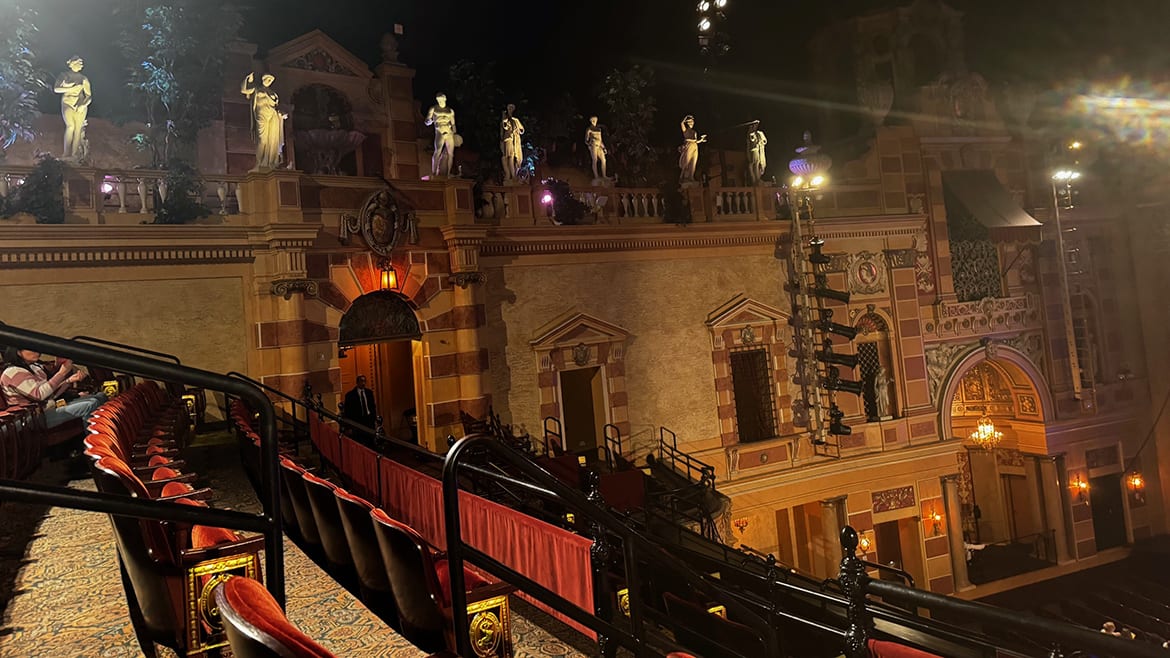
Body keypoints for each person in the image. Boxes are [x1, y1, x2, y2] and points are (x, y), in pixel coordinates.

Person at [1, 346, 106, 428]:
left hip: (48, 407)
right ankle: (94, 449)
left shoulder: (35, 367)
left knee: (100, 396)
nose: (37, 351)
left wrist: (69, 380)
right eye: (31, 348)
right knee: (91, 404)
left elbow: (50, 393)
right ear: (18, 352)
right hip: (33, 418)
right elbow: (39, 395)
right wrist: (61, 373)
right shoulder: (13, 372)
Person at [240, 72, 288, 170]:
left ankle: (271, 163)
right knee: (262, 140)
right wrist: (247, 79)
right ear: (263, 79)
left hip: (273, 115)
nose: (269, 82)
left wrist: (281, 113)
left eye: (271, 81)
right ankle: (260, 163)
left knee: (272, 140)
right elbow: (244, 90)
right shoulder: (257, 89)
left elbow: (276, 107)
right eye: (268, 79)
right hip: (261, 115)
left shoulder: (273, 93)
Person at [54, 56, 92, 161]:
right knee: (70, 126)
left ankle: (75, 154)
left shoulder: (84, 79)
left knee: (78, 129)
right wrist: (71, 88)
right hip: (67, 103)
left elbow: (89, 96)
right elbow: (56, 89)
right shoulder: (64, 75)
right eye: (78, 63)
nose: (80, 65)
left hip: (80, 105)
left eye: (81, 64)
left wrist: (83, 105)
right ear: (72, 64)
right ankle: (66, 153)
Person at [425, 93, 457, 177]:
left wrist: (455, 133)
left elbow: (453, 124)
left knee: (451, 154)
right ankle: (434, 172)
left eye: (441, 99)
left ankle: (448, 173)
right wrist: (429, 121)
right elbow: (427, 120)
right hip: (440, 131)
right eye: (438, 100)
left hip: (449, 131)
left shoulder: (450, 110)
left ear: (445, 99)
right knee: (437, 151)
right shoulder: (433, 108)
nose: (440, 101)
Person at [678, 115, 707, 183]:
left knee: (693, 163)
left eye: (692, 122)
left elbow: (696, 141)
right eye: (690, 122)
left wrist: (701, 140)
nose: (691, 124)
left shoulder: (694, 132)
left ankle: (691, 177)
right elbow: (681, 123)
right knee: (686, 161)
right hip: (688, 145)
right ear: (687, 123)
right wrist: (686, 117)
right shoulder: (685, 130)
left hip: (695, 146)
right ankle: (681, 177)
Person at [500, 104, 525, 182]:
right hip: (508, 139)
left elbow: (522, 129)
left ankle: (513, 175)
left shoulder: (515, 120)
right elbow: (504, 126)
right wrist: (504, 116)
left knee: (513, 157)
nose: (510, 110)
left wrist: (517, 131)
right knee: (509, 157)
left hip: (515, 140)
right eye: (509, 108)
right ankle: (510, 175)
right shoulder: (506, 119)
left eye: (512, 108)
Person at [585, 116, 607, 180]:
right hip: (593, 145)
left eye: (595, 120)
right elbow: (586, 140)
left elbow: (601, 140)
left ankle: (604, 175)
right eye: (593, 120)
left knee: (604, 160)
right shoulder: (589, 129)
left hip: (599, 145)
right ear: (591, 121)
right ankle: (596, 176)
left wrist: (604, 147)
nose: (594, 121)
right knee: (595, 160)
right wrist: (590, 143)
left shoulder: (599, 129)